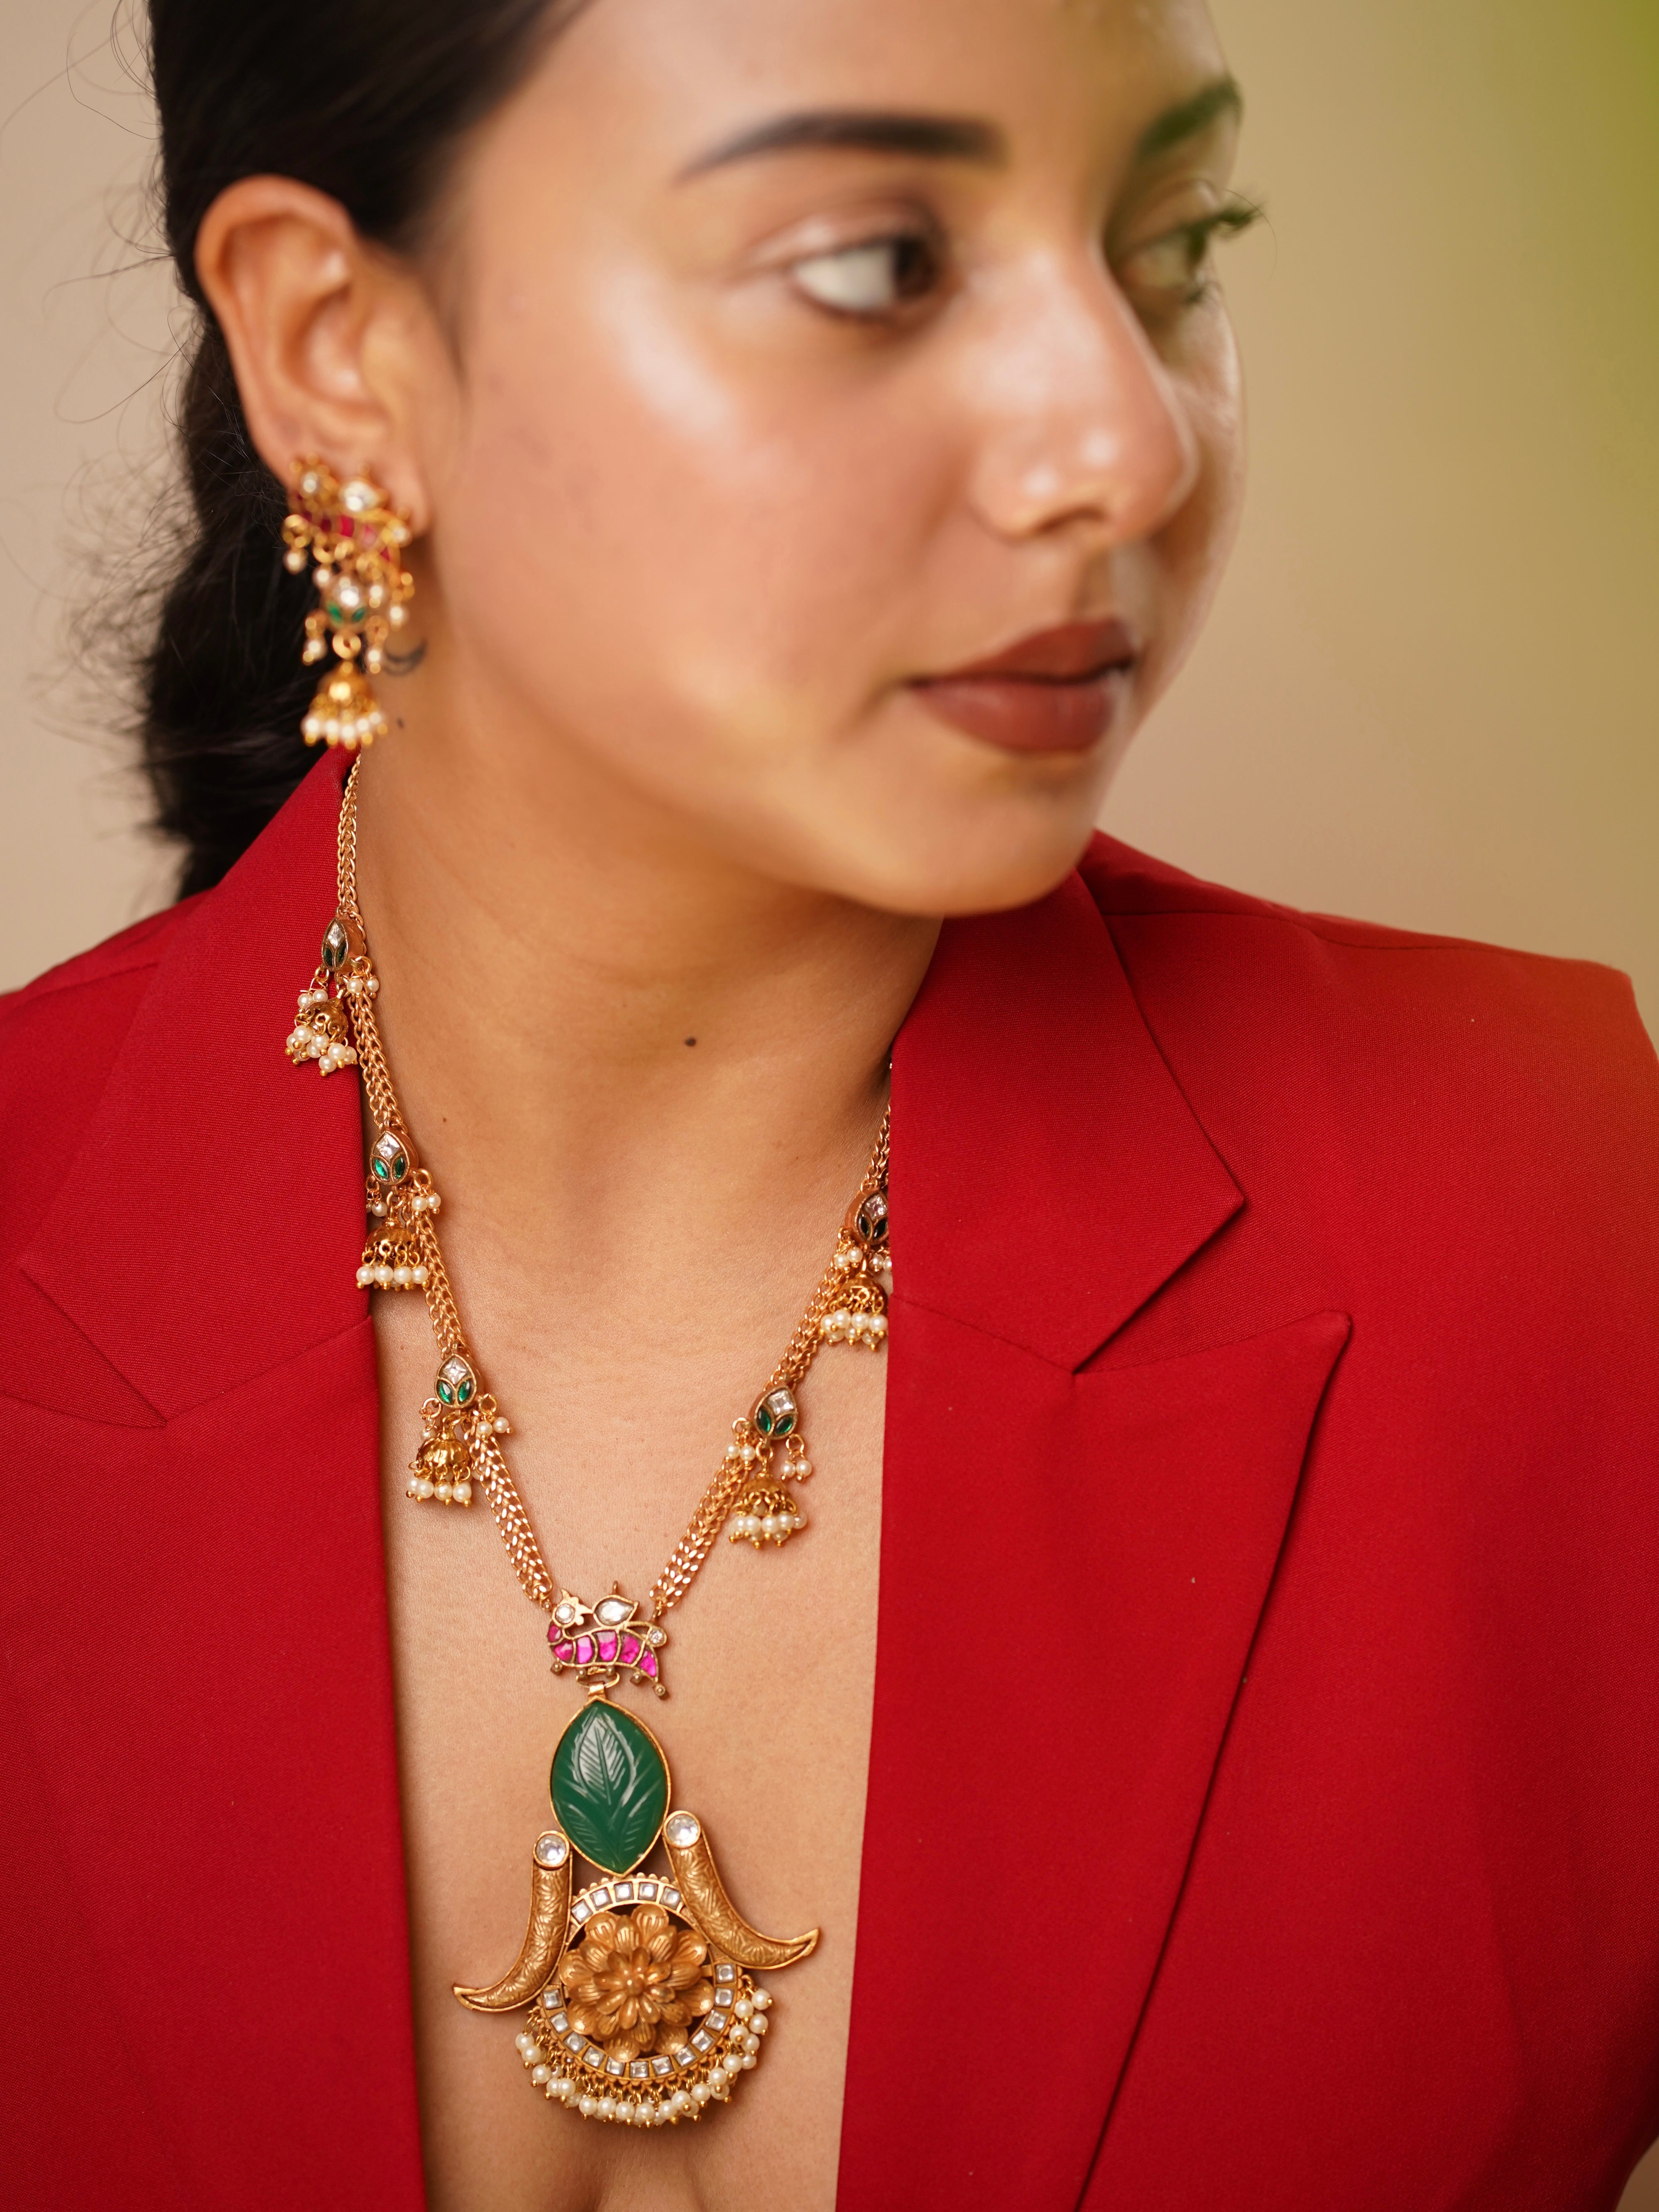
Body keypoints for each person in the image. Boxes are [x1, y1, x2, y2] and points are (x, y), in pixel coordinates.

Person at [3, 0, 1656, 2206]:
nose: (1127, 446)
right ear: (338, 349)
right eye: (880, 262)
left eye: (1176, 238)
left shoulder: (1568, 1229)